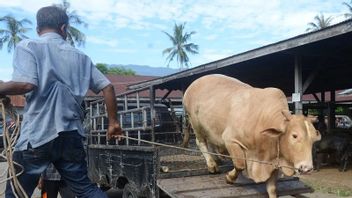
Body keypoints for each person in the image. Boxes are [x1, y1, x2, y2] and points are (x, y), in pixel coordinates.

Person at [0, 5, 123, 198]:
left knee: (16, 193)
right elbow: (107, 87)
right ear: (64, 28)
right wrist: (113, 123)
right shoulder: (81, 57)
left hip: (37, 136)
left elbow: (26, 85)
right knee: (85, 189)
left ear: (38, 29)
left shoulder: (29, 46)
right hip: (71, 136)